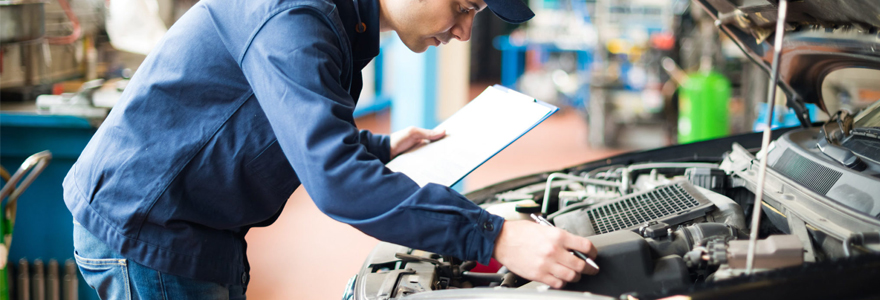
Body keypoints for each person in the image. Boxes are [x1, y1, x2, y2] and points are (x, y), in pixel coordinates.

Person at [64, 0, 599, 298]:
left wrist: (379, 145)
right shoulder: (295, 15)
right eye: (462, 6)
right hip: (150, 225)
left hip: (196, 221)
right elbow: (337, 182)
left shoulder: (345, 19)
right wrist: (497, 237)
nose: (463, 31)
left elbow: (278, 117)